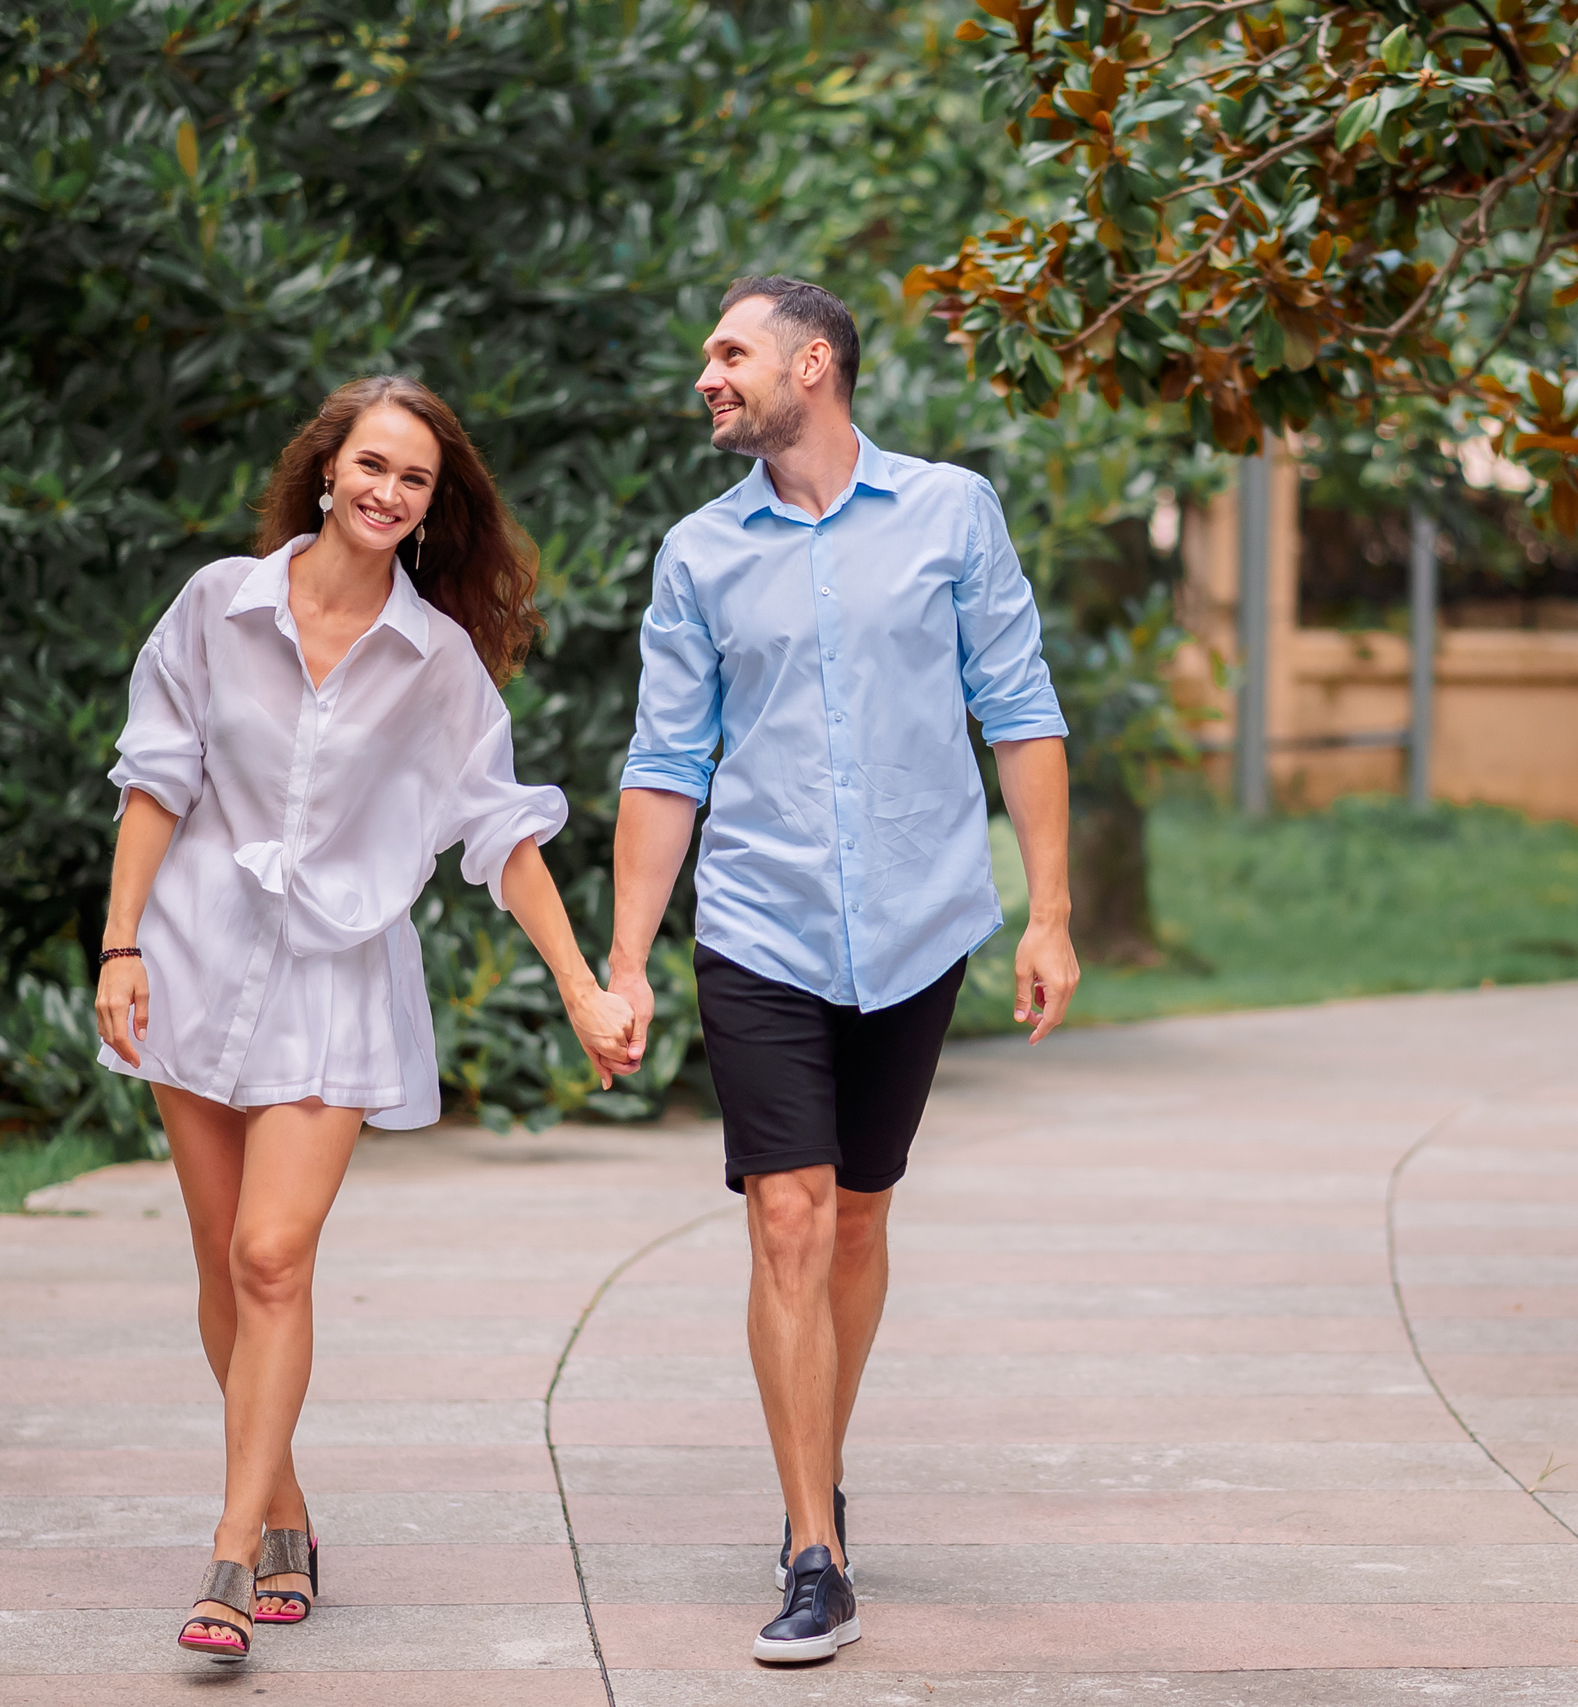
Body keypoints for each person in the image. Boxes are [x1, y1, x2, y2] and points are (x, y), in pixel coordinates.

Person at [92, 376, 638, 1663]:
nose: (389, 492)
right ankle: (282, 1505)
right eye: (373, 466)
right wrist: (119, 942)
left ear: (432, 506)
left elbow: (500, 832)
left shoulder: (434, 660)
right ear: (326, 470)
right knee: (220, 1258)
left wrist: (581, 987)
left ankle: (230, 1556)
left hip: (335, 977)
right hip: (192, 956)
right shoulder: (216, 606)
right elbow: (156, 778)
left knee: (273, 1257)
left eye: (415, 479)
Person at [605, 276, 1078, 1663]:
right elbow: (665, 761)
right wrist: (625, 959)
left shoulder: (950, 513)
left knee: (860, 1215)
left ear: (812, 363)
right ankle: (814, 1548)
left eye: (730, 353)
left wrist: (1048, 914)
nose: (708, 376)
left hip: (919, 920)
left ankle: (819, 1460)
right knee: (789, 1219)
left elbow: (1021, 711)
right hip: (760, 924)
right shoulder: (699, 553)